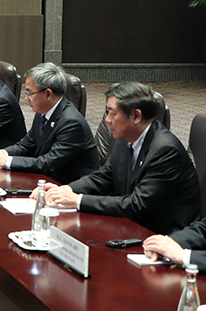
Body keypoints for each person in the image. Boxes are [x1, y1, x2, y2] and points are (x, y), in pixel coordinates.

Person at [43, 82, 200, 235]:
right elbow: (103, 177)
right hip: (132, 223)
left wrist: (77, 200)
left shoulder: (165, 151)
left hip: (163, 235)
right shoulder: (125, 138)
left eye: (112, 113)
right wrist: (65, 190)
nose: (107, 120)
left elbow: (137, 205)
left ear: (136, 116)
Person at [0, 62, 99, 184]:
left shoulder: (72, 123)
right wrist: (0, 153)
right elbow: (26, 146)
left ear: (48, 94)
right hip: (48, 180)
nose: (26, 98)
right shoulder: (43, 112)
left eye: (29, 93)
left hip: (69, 186)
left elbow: (49, 163)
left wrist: (6, 161)